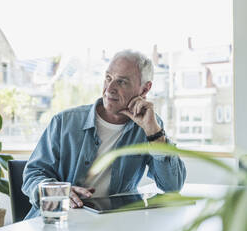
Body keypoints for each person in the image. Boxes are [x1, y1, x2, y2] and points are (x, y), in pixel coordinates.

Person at [22, 49, 186, 219]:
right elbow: (32, 176)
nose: (110, 88)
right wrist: (58, 193)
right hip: (58, 221)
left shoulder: (149, 126)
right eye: (108, 78)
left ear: (145, 89)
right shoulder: (64, 122)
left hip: (113, 225)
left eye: (122, 82)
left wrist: (154, 133)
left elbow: (172, 187)